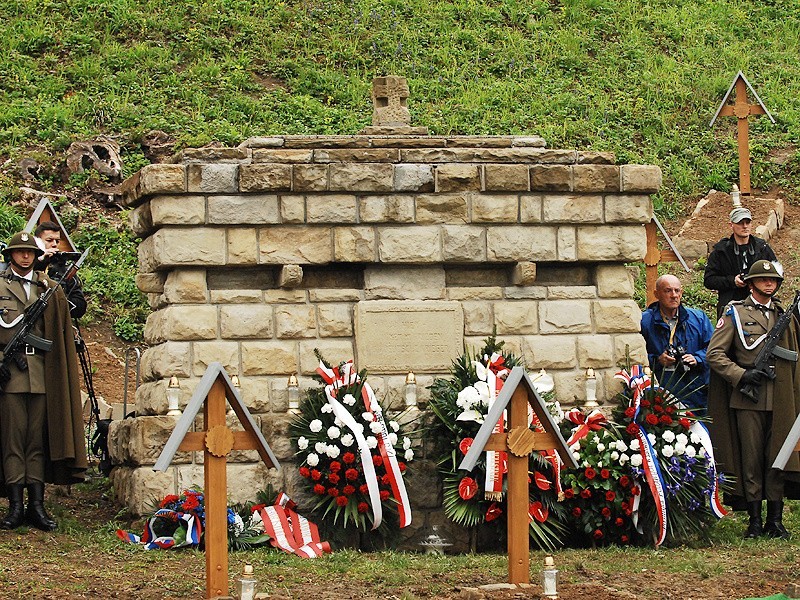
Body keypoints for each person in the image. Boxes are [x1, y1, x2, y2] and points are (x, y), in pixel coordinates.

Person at [707, 260, 800, 539]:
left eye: (773, 281)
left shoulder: (783, 315)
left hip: (780, 397)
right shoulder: (735, 313)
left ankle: (775, 519)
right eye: (763, 279)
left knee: (777, 458)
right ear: (751, 283)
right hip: (749, 398)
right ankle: (755, 521)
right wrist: (741, 375)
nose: (769, 284)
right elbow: (715, 354)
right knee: (750, 459)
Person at [0, 231, 87, 531]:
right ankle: (14, 507)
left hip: (40, 373)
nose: (25, 256)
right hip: (10, 376)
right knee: (14, 440)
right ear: (10, 255)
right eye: (19, 251)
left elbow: (60, 332)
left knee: (36, 441)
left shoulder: (48, 287)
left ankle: (37, 505)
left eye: (29, 252)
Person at [641, 274, 714, 412]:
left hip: (695, 390)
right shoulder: (645, 321)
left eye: (677, 291)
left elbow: (714, 348)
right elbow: (636, 357)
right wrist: (657, 359)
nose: (674, 295)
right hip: (661, 391)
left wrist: (697, 358)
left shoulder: (698, 319)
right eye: (668, 291)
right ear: (657, 294)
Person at [704, 207, 777, 317]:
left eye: (747, 222)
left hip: (760, 305)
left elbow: (778, 273)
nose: (745, 226)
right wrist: (732, 281)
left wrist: (762, 288)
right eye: (740, 223)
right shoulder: (721, 251)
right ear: (731, 225)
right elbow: (709, 280)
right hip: (731, 307)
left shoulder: (762, 247)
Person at [33, 221, 87, 319]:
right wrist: (41, 261)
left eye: (57, 241)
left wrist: (59, 299)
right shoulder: (26, 263)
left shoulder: (64, 270)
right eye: (49, 240)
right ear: (37, 242)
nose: (54, 244)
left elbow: (80, 307)